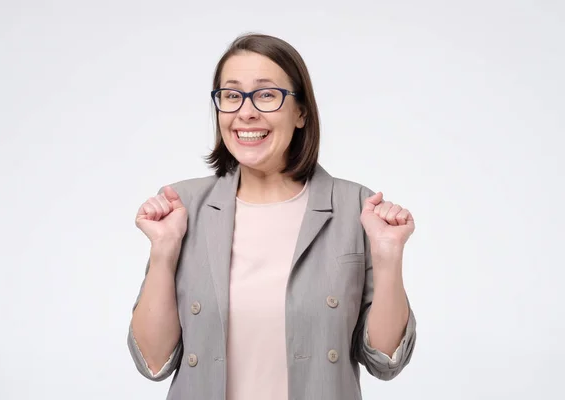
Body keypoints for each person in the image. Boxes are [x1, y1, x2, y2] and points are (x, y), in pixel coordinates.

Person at [127, 33, 417, 400]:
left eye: (266, 95)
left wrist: (389, 257)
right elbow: (153, 362)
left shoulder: (354, 207)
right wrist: (163, 254)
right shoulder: (183, 206)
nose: (245, 112)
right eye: (231, 95)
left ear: (301, 112)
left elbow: (385, 362)